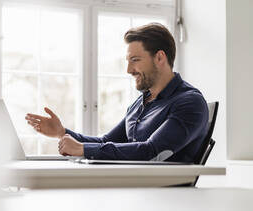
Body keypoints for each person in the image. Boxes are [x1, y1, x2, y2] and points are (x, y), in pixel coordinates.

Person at [25, 23, 208, 162]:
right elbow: (105, 141)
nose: (129, 70)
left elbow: (152, 152)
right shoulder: (141, 103)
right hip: (132, 191)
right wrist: (62, 132)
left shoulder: (189, 103)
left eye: (135, 60)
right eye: (127, 61)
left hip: (165, 199)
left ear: (160, 57)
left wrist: (84, 150)